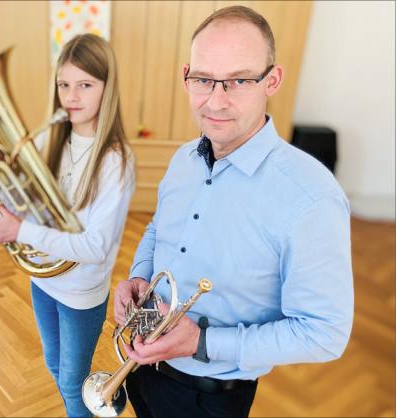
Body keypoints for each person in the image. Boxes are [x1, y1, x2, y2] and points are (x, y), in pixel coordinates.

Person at [113, 5, 353, 418]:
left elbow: (325, 332)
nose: (216, 101)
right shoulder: (184, 159)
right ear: (186, 76)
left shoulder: (312, 197)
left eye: (239, 80)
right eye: (204, 79)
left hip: (209, 397)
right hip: (141, 365)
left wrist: (200, 343)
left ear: (271, 80)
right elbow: (159, 227)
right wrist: (139, 274)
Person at [0, 33, 135, 417]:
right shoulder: (50, 139)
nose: (72, 97)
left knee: (70, 382)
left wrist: (19, 232)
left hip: (80, 291)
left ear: (106, 88)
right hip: (43, 278)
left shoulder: (116, 161)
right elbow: (31, 205)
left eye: (85, 85)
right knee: (53, 366)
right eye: (64, 85)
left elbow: (95, 246)